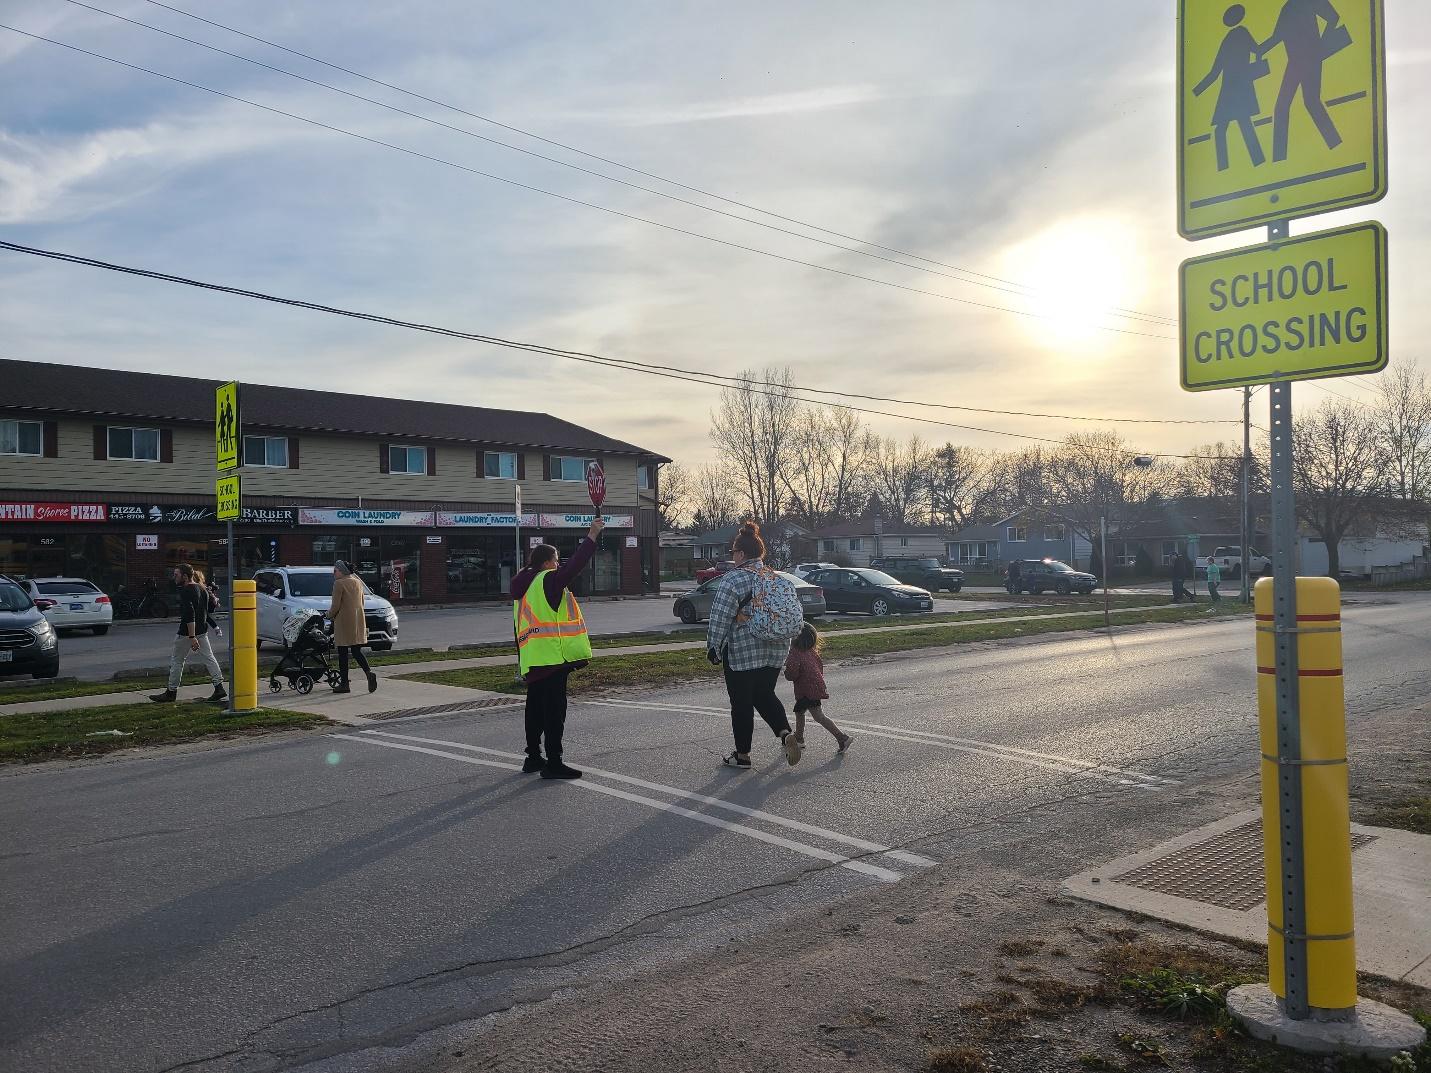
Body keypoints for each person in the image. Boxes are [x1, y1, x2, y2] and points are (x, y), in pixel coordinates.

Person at [512, 517, 605, 779]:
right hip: (552, 658)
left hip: (533, 659)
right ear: (545, 563)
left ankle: (533, 757)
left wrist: (522, 660)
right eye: (555, 560)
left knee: (535, 709)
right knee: (554, 713)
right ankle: (554, 762)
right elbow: (575, 566)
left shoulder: (523, 584)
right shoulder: (547, 580)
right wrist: (592, 535)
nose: (558, 564)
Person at [706, 522, 802, 770]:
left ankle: (742, 755)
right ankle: (785, 734)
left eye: (733, 553)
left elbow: (719, 617)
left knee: (741, 703)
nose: (732, 557)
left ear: (741, 554)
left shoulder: (732, 580)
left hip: (742, 652)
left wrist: (713, 647)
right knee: (764, 694)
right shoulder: (773, 577)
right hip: (775, 649)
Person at [1259, 0, 1345, 162]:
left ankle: (1335, 146)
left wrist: (1321, 45)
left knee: (1305, 102)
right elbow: (1277, 36)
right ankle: (1279, 159)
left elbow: (1333, 17)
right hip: (1295, 62)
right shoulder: (1287, 7)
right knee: (1289, 105)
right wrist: (1258, 51)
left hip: (1310, 58)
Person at [1192, 4, 1269, 171]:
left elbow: (1256, 50)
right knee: (1234, 125)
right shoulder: (1230, 38)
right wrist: (1195, 92)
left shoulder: (1238, 34)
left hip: (1236, 87)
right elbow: (1216, 71)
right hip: (1231, 89)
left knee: (1234, 126)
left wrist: (1196, 91)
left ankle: (1251, 163)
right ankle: (1247, 163)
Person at [149, 563, 227, 704]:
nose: (174, 577)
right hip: (202, 631)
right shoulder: (202, 589)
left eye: (176, 575)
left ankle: (171, 692)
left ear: (185, 576)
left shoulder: (186, 591)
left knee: (177, 661)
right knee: (209, 658)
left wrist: (191, 637)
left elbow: (189, 614)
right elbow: (208, 610)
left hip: (187, 633)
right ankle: (219, 687)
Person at [785, 623, 852, 754]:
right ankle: (799, 738)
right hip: (813, 687)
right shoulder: (812, 652)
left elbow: (792, 674)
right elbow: (819, 668)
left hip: (807, 690)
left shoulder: (795, 653)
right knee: (800, 711)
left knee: (818, 716)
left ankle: (842, 737)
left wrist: (787, 673)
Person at [327, 560, 376, 694]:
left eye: (335, 571)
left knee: (343, 654)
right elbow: (362, 602)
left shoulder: (339, 583)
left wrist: (328, 615)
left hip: (343, 621)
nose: (334, 573)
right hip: (357, 620)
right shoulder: (357, 582)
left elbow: (335, 606)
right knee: (356, 651)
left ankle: (344, 684)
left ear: (342, 571)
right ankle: (369, 673)